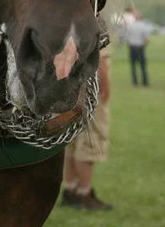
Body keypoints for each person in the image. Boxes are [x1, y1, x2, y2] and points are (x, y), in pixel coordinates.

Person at [61, 46, 113, 211]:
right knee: (89, 143)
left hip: (70, 91)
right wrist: (104, 92)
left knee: (72, 142)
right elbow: (99, 61)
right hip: (90, 92)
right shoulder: (93, 22)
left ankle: (69, 190)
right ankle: (84, 194)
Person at [125, 12, 150, 86]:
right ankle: (145, 81)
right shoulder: (144, 26)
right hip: (140, 47)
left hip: (132, 47)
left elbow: (127, 37)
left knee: (133, 65)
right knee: (143, 65)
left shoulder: (131, 26)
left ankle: (134, 81)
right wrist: (144, 46)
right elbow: (146, 39)